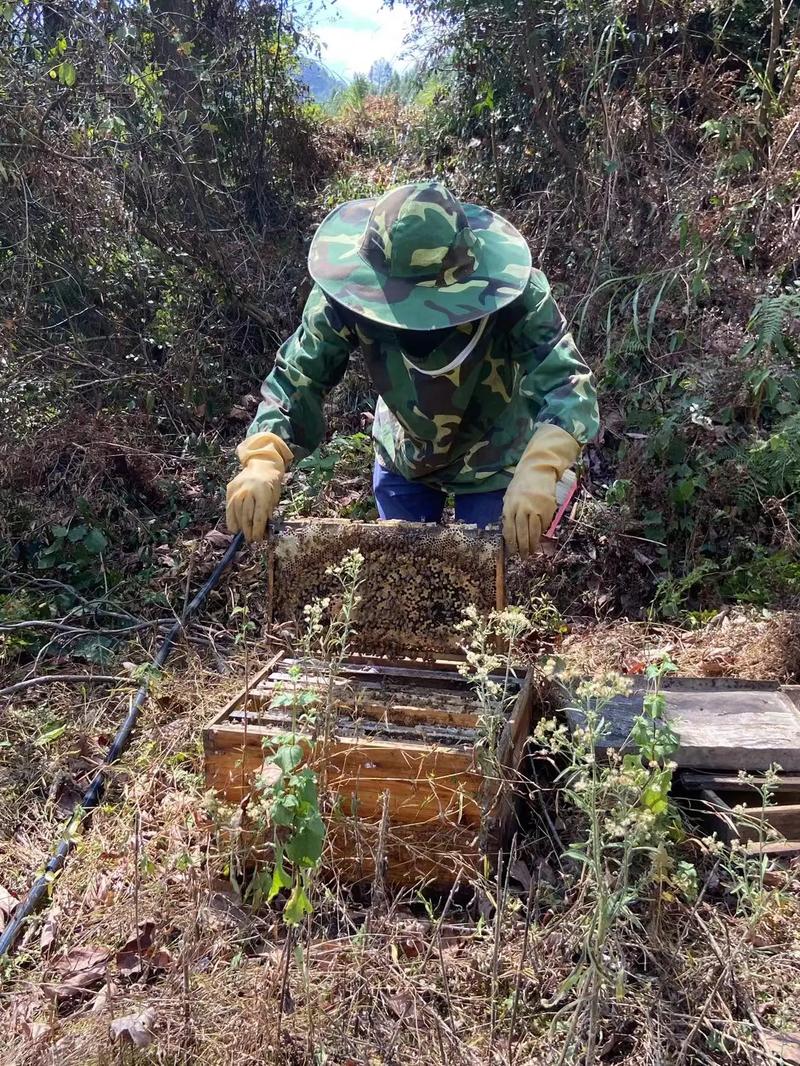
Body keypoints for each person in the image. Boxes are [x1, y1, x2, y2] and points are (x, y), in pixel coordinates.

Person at [226, 180, 599, 557]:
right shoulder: (345, 295)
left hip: (495, 449)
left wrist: (540, 466)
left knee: (492, 580)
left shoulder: (518, 297)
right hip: (405, 447)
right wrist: (263, 454)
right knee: (404, 567)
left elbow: (569, 384)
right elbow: (298, 375)